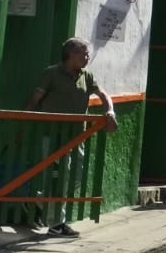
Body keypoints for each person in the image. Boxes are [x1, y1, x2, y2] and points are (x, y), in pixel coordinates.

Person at [25, 38, 116, 238]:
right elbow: (35, 98)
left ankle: (38, 200)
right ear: (71, 55)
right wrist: (23, 124)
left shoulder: (86, 76)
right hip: (52, 133)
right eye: (84, 53)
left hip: (76, 135)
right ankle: (57, 223)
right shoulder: (51, 73)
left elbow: (102, 94)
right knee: (57, 176)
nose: (87, 57)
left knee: (76, 175)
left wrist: (110, 111)